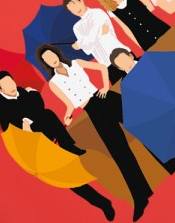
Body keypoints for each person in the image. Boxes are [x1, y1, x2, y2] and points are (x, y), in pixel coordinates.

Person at [36, 44, 153, 222]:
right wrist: (67, 115)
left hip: (105, 98)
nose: (51, 59)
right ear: (45, 63)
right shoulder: (53, 83)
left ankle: (173, 161)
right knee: (119, 152)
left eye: (51, 54)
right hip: (93, 111)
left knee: (141, 126)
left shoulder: (76, 63)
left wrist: (105, 86)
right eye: (46, 59)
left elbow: (101, 67)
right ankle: (141, 195)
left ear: (56, 54)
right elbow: (69, 103)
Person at [0, 70, 115, 221]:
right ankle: (103, 203)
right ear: (0, 89)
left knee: (48, 114)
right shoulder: (1, 107)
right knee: (67, 177)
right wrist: (24, 121)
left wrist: (31, 100)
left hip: (43, 131)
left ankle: (68, 146)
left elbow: (39, 108)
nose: (10, 86)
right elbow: (12, 130)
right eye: (5, 84)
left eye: (10, 81)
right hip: (32, 146)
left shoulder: (22, 91)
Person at [109, 47, 175, 175]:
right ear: (119, 68)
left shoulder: (148, 60)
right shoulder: (125, 82)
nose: (125, 64)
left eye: (124, 59)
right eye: (121, 64)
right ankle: (174, 163)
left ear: (130, 56)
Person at [89, 0, 170, 51]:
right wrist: (139, 44)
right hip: (144, 39)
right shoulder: (110, 9)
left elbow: (149, 5)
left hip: (157, 27)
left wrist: (146, 16)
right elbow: (126, 28)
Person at [63, 0, 130, 84]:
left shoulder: (97, 13)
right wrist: (98, 35)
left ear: (81, 1)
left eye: (75, 4)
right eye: (71, 9)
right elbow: (87, 50)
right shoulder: (77, 27)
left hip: (122, 55)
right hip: (107, 65)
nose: (76, 9)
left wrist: (80, 44)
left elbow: (91, 38)